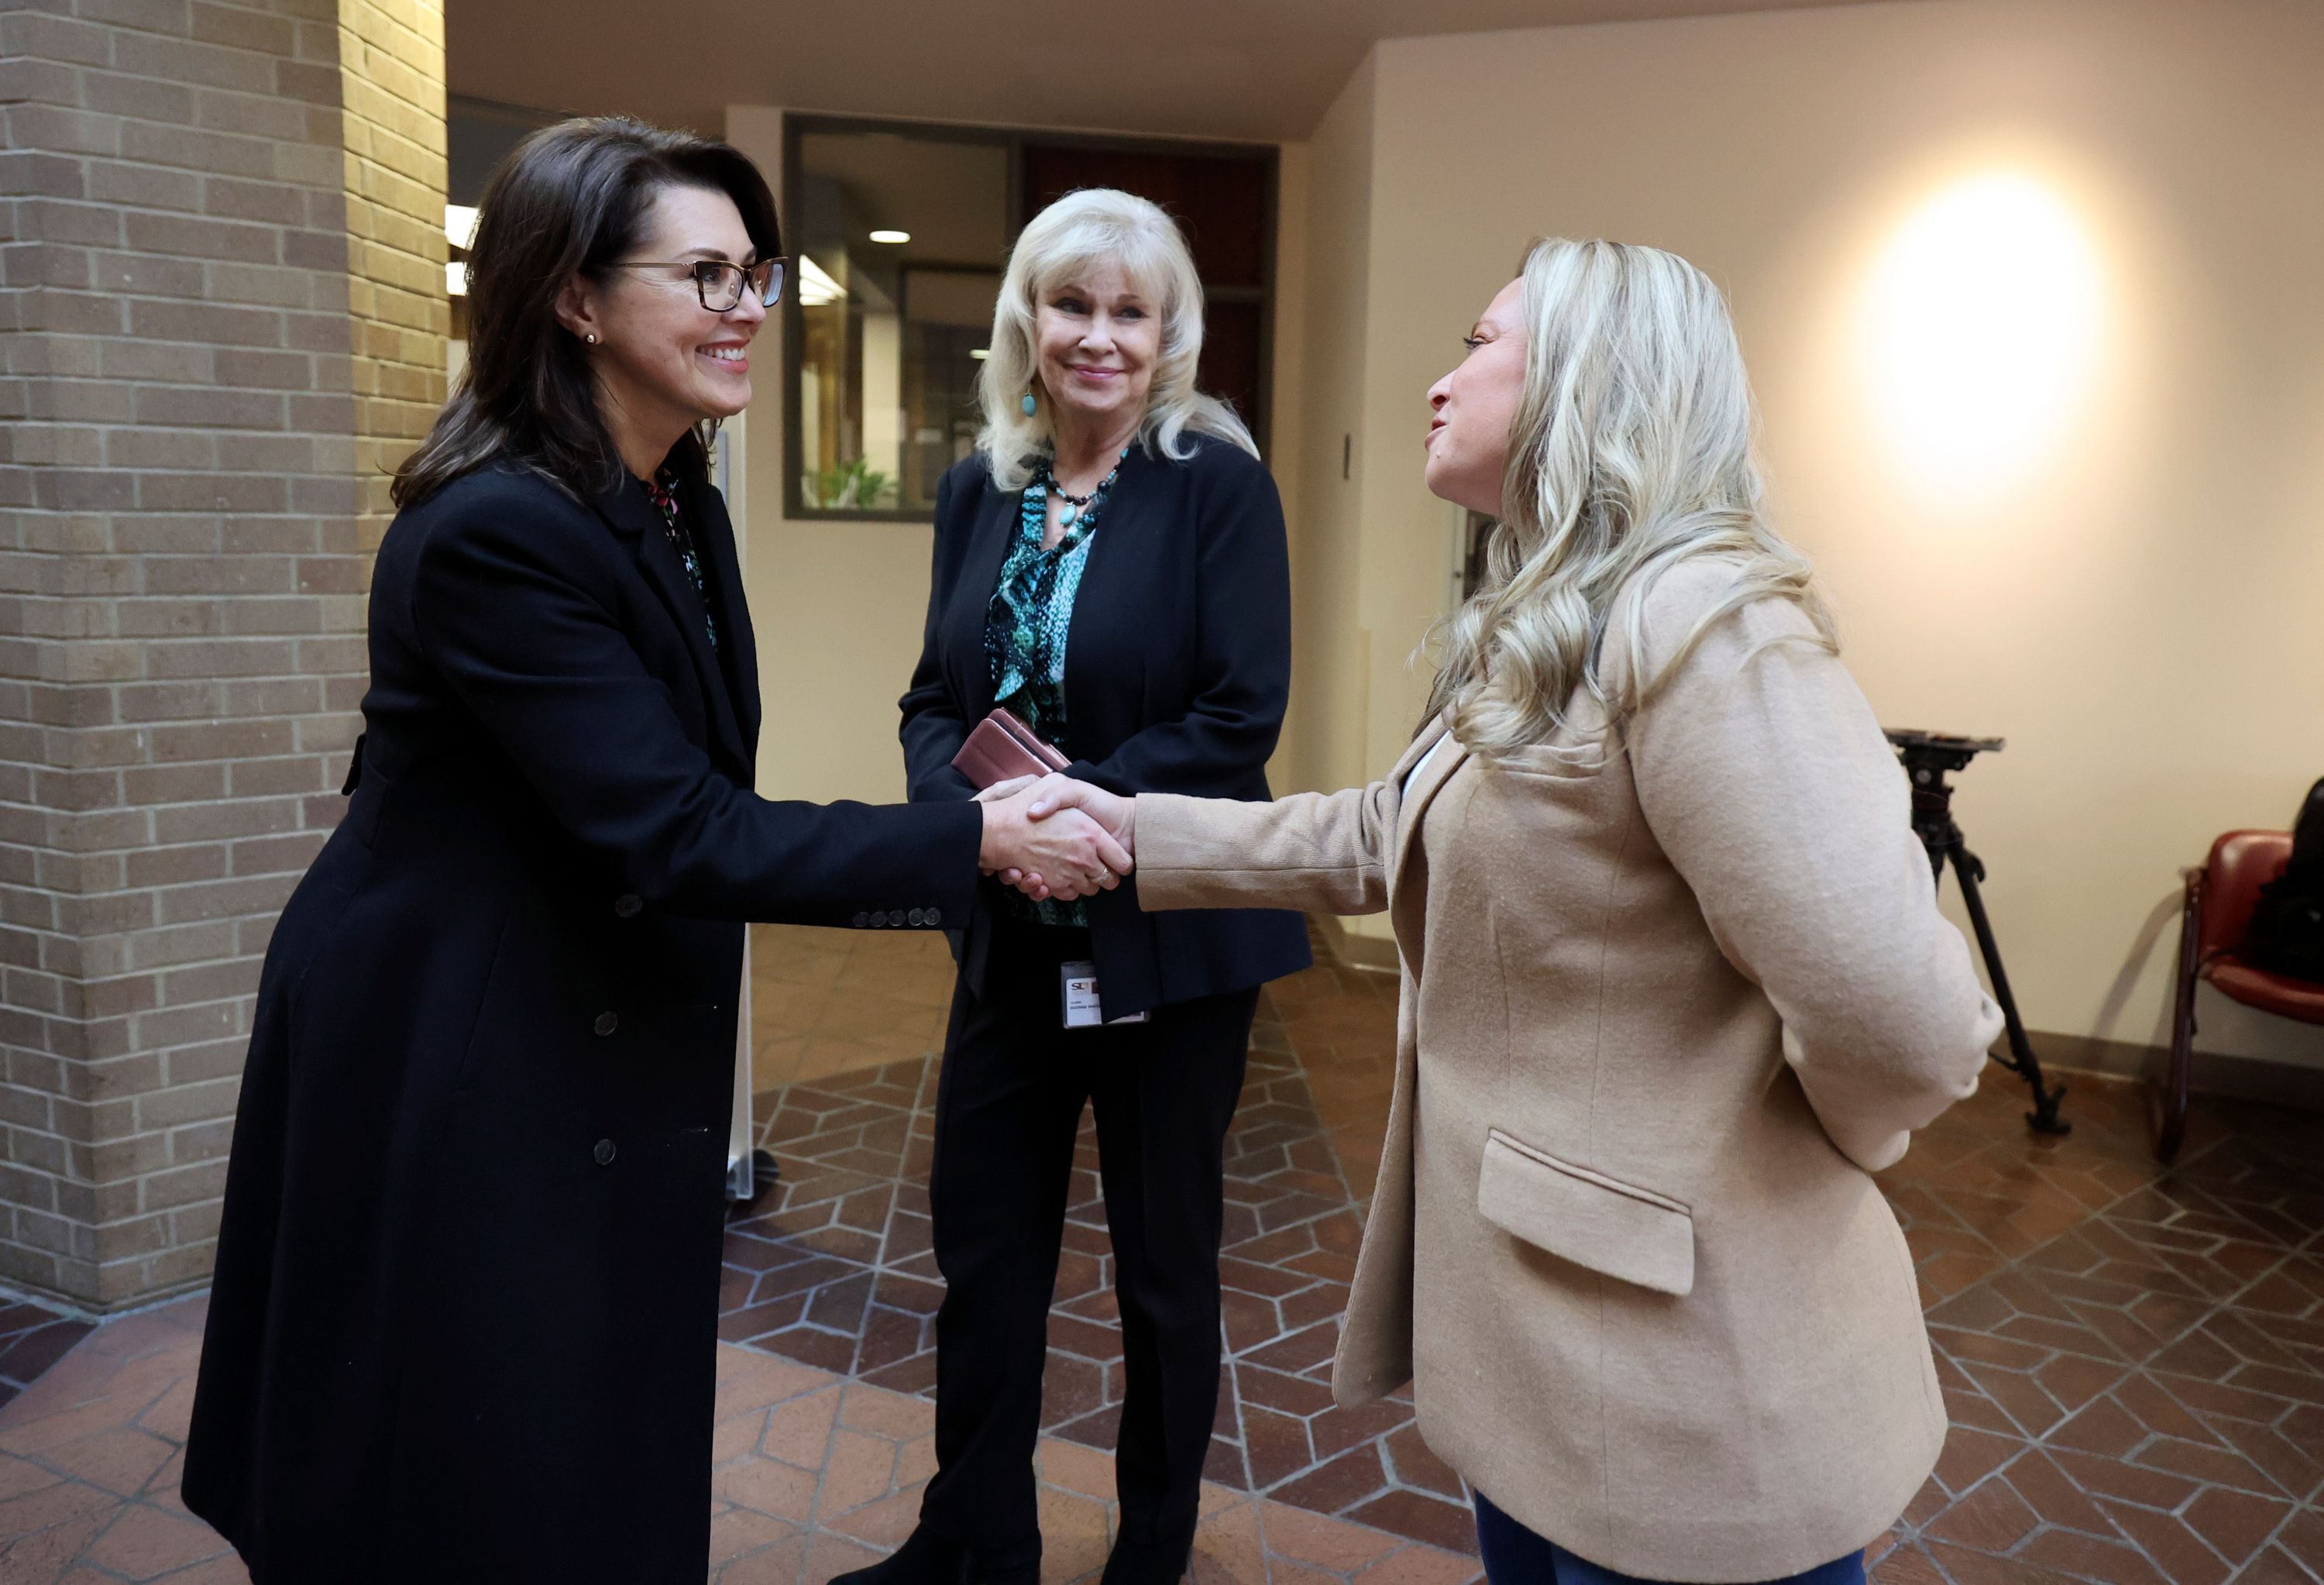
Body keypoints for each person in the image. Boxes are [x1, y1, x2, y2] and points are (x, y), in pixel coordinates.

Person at [179, 118, 1127, 1585]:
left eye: (757, 271)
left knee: (579, 1410)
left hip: (570, 1000)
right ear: (574, 295)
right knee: (458, 1436)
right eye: (707, 273)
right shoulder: (499, 532)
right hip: (456, 1030)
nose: (749, 305)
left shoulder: (674, 489)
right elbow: (682, 828)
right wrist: (976, 836)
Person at [1022, 238, 2005, 1585]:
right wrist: (1128, 830)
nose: (1439, 382)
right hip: (1551, 1354)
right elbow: (1386, 829)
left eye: (1480, 344)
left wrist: (1821, 1137)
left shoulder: (1705, 627)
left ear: (1588, 380)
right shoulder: (1549, 620)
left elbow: (1903, 1016)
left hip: (1682, 1389)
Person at [855, 189, 1309, 1585]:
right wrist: (980, 813)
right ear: (1028, 321)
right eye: (1071, 305)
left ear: (1168, 330)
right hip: (1008, 929)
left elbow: (1242, 715)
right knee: (986, 1254)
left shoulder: (1217, 484)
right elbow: (934, 699)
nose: (1097, 336)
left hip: (1169, 944)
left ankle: (1150, 1555)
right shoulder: (974, 486)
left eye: (1128, 310)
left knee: (1165, 1274)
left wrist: (1072, 808)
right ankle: (972, 1537)